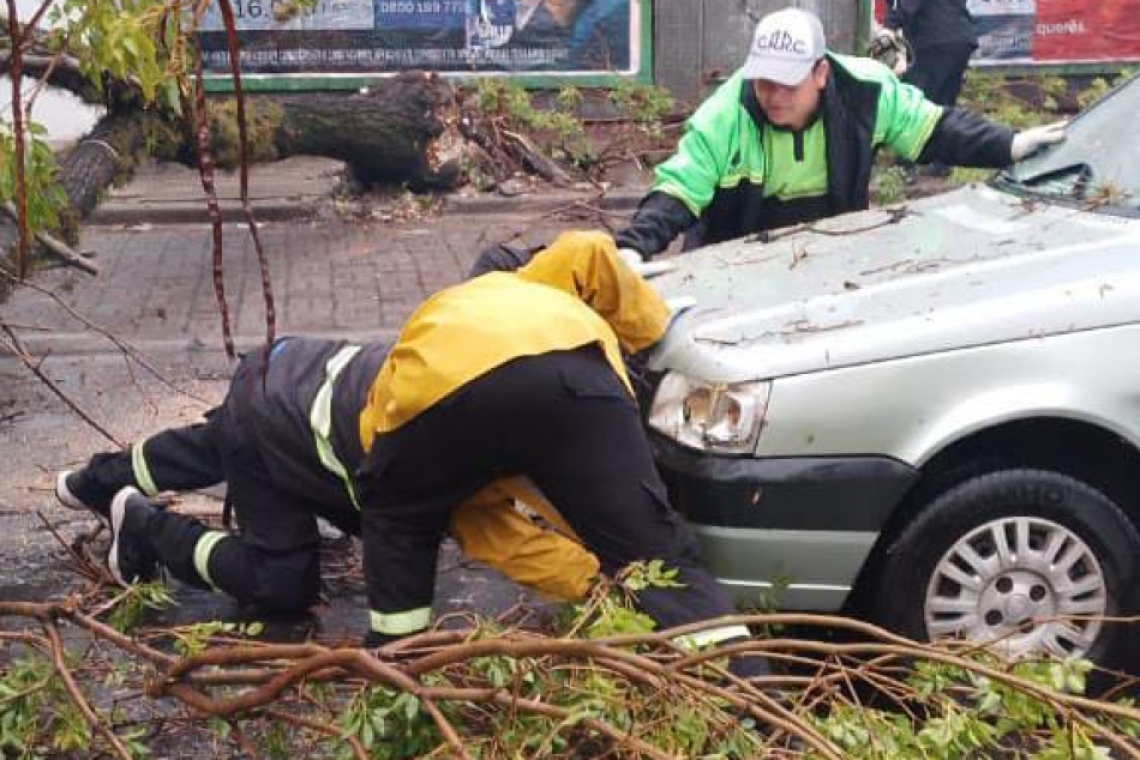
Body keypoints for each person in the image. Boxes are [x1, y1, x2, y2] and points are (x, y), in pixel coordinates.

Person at [61, 231, 763, 674]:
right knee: (282, 581)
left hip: (301, 379)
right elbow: (590, 251)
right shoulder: (525, 347)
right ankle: (150, 529)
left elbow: (584, 251)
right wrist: (657, 337)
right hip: (278, 415)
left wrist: (596, 589)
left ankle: (95, 483)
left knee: (208, 447)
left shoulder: (492, 299)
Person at [613, 7, 1067, 260]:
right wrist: (635, 248)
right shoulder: (727, 112)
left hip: (830, 249)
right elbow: (679, 187)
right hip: (733, 255)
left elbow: (934, 128)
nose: (772, 95)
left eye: (787, 83)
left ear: (821, 73)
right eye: (763, 81)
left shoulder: (865, 91)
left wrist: (1009, 144)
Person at [878, 0, 979, 176]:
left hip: (934, 39)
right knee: (944, 103)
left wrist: (889, 27)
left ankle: (905, 166)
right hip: (960, 39)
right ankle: (942, 163)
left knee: (914, 101)